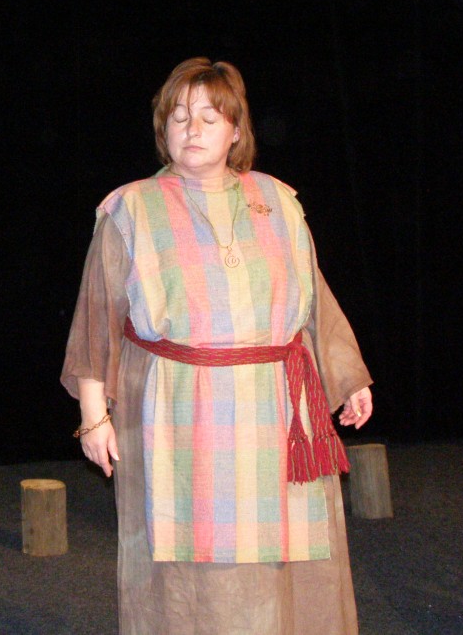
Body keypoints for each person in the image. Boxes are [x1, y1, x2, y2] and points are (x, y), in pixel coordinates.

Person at [61, 57, 373, 634]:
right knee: (188, 567)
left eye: (209, 117)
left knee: (289, 554)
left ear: (236, 130)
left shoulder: (277, 199)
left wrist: (348, 377)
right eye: (179, 117)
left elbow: (313, 300)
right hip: (177, 415)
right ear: (163, 129)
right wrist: (93, 417)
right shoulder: (130, 209)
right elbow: (96, 318)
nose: (193, 129)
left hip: (277, 410)